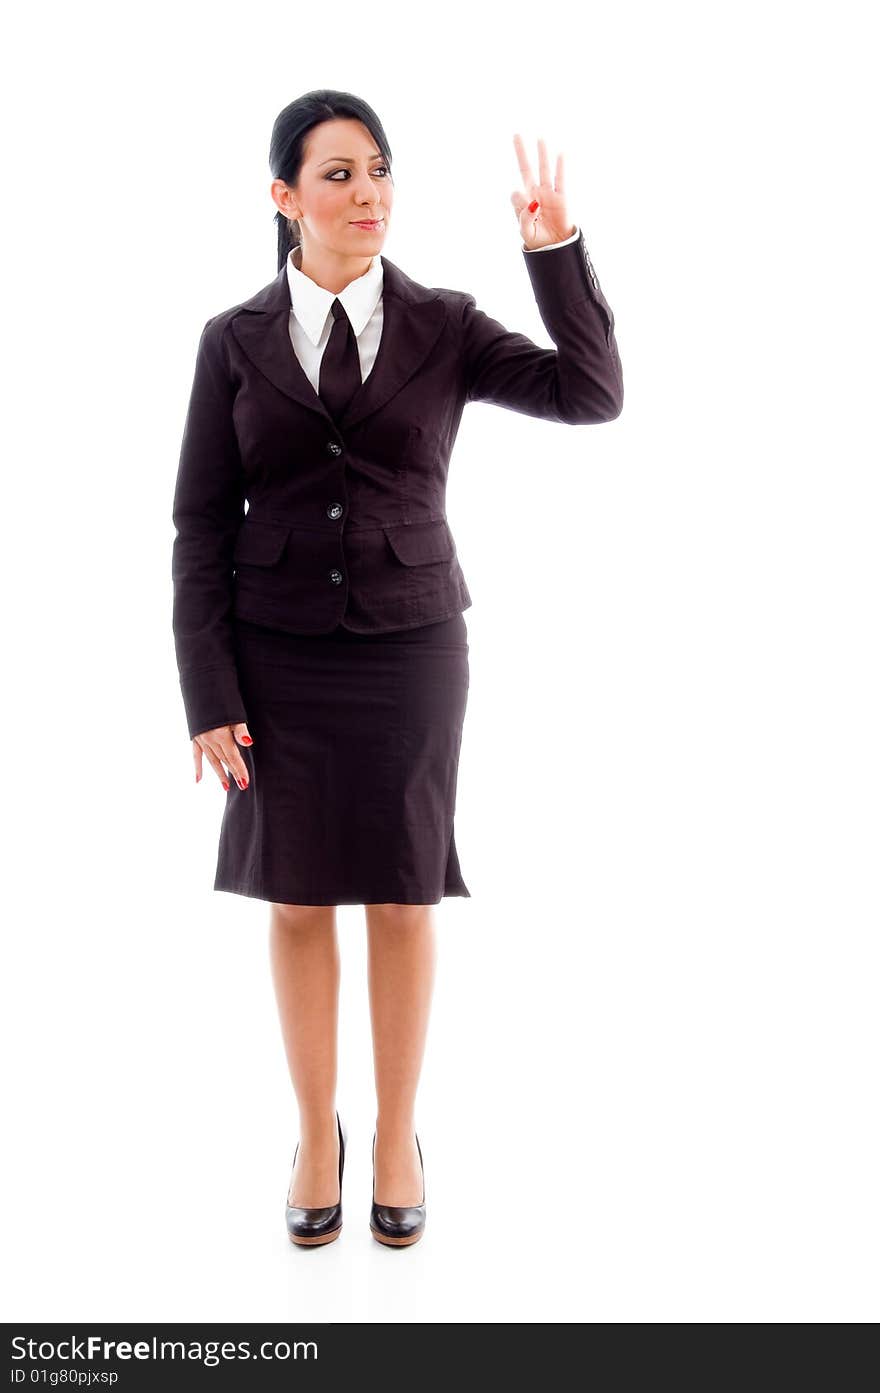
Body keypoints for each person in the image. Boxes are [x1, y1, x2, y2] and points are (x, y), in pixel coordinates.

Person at [171, 89, 623, 1248]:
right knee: (296, 894)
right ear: (284, 199)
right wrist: (208, 695)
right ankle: (314, 1134)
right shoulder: (232, 340)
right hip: (271, 653)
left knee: (406, 892)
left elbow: (591, 394)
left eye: (378, 170)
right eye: (337, 175)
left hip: (413, 646)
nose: (366, 193)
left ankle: (398, 1132)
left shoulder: (445, 324)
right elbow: (200, 531)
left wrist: (553, 254)